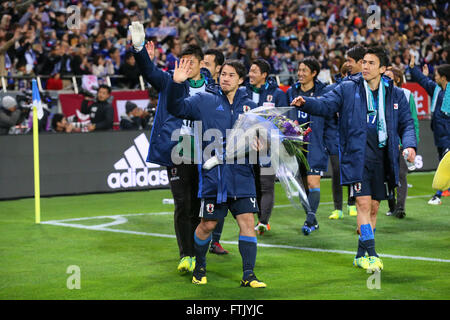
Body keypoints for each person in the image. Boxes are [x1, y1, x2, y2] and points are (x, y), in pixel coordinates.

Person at [291, 47, 417, 272]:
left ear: (383, 68)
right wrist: (306, 103)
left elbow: (406, 123)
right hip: (357, 156)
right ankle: (372, 253)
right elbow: (326, 104)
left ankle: (360, 255)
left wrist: (409, 145)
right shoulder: (348, 87)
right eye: (364, 62)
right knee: (363, 203)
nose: (365, 66)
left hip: (384, 156)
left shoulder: (394, 93)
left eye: (371, 63)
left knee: (375, 208)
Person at [167, 58, 266, 288]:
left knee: (248, 222)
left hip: (242, 175)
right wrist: (176, 84)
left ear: (241, 80)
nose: (225, 78)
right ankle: (200, 267)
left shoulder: (250, 106)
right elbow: (176, 108)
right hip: (215, 176)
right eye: (222, 74)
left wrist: (262, 143)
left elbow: (262, 137)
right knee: (208, 224)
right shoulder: (204, 100)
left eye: (231, 75)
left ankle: (248, 275)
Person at [130, 21, 214, 274]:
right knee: (182, 204)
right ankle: (186, 254)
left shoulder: (214, 88)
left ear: (201, 64)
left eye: (191, 61)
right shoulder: (169, 81)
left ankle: (200, 251)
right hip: (178, 151)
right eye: (182, 61)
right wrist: (139, 48)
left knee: (201, 205)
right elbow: (148, 71)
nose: (186, 65)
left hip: (204, 152)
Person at [286, 57, 329, 235]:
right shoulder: (291, 90)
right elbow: (286, 113)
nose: (300, 73)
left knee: (313, 182)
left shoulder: (323, 91)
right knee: (302, 187)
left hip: (316, 143)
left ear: (314, 73)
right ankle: (313, 220)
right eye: (299, 70)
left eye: (305, 70)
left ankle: (309, 221)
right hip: (296, 145)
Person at [246, 58, 288, 235]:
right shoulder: (242, 92)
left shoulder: (277, 94)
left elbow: (284, 122)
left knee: (266, 185)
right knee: (253, 184)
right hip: (245, 148)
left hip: (267, 148)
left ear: (264, 75)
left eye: (255, 71)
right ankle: (257, 217)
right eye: (250, 70)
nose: (250, 74)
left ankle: (263, 221)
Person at [327, 45, 367, 219]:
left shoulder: (363, 88)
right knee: (337, 171)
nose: (346, 77)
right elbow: (326, 108)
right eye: (343, 74)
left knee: (355, 173)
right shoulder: (337, 90)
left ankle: (352, 203)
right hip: (336, 138)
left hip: (352, 139)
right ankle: (338, 207)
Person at [407, 56, 450, 205]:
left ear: (444, 78)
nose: (434, 76)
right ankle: (445, 190)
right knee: (442, 163)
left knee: (443, 164)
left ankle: (438, 195)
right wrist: (412, 69)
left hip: (447, 135)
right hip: (440, 134)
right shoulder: (438, 90)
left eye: (437, 75)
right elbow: (424, 82)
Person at [199, 48, 229, 254]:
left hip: (222, 153)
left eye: (207, 64)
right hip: (195, 151)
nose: (202, 67)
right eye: (201, 63)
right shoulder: (201, 91)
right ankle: (193, 253)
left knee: (223, 198)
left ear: (218, 68)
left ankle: (215, 241)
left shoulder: (227, 94)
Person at [384, 66, 420, 218]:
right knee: (387, 176)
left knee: (401, 175)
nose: (385, 79)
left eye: (389, 76)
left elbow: (412, 122)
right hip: (384, 142)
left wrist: (410, 144)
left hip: (401, 144)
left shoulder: (406, 94)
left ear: (397, 79)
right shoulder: (381, 94)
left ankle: (400, 208)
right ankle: (392, 206)